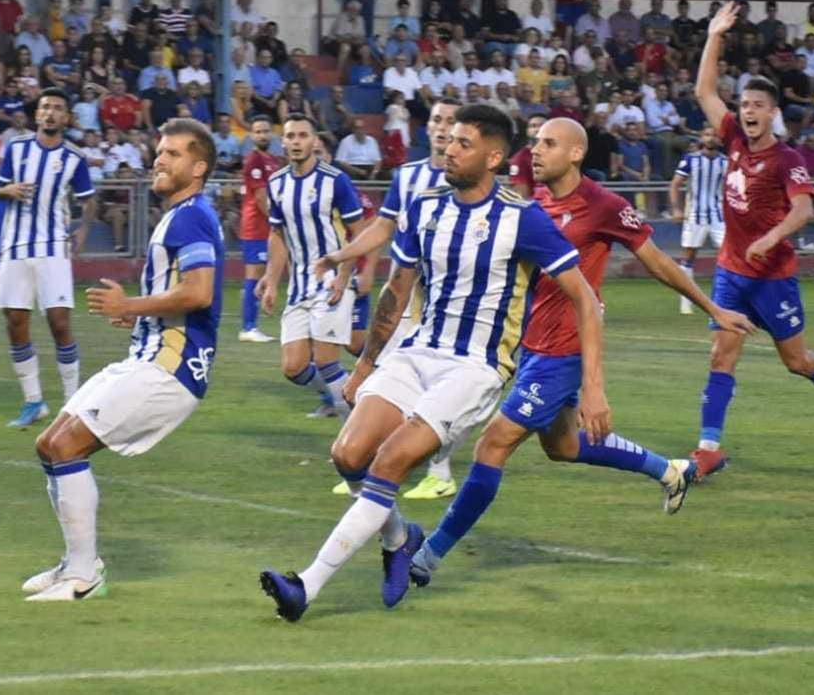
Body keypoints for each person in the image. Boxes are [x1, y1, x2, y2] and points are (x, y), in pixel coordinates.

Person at [258, 104, 605, 622]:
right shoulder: (424, 207)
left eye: (463, 143)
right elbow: (397, 292)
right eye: (449, 140)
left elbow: (585, 299)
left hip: (476, 368)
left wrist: (594, 386)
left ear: (494, 157)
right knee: (347, 455)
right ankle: (399, 538)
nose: (449, 148)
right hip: (417, 351)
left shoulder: (522, 218)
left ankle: (305, 586)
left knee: (389, 463)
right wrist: (365, 366)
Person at [403, 118, 756, 594]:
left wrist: (712, 308)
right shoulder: (531, 205)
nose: (535, 151)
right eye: (534, 143)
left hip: (567, 350)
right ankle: (670, 471)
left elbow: (658, 262)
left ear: (575, 153)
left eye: (548, 143)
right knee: (563, 446)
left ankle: (427, 555)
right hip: (530, 346)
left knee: (493, 444)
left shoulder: (603, 206)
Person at [23, 118, 222, 602]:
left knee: (66, 446)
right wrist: (138, 317)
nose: (159, 159)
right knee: (50, 444)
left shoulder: (192, 215)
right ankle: (76, 563)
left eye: (173, 154)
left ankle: (85, 578)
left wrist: (130, 306)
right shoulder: (181, 215)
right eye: (159, 151)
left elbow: (200, 293)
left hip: (169, 370)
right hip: (148, 357)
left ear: (198, 168)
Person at [690, 2, 814, 478]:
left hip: (773, 278)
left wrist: (772, 237)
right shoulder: (731, 136)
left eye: (757, 106)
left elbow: (803, 208)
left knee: (796, 361)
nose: (748, 112)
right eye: (744, 105)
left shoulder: (786, 158)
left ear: (773, 113)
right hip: (732, 271)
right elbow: (703, 89)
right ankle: (709, 448)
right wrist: (715, 35)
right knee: (721, 352)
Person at [321, 100, 460, 499]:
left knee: (437, 386)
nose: (442, 127)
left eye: (451, 122)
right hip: (404, 301)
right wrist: (345, 256)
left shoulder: (467, 181)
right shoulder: (407, 176)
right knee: (379, 377)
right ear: (427, 128)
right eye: (436, 120)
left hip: (447, 306)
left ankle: (440, 472)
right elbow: (382, 228)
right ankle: (365, 458)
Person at [0, 89, 98, 428]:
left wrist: (82, 231)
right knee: (16, 322)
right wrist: (8, 191)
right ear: (37, 115)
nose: (50, 113)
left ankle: (72, 404)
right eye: (45, 107)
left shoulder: (74, 158)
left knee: (59, 321)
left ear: (66, 118)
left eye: (57, 108)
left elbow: (88, 200)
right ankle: (33, 401)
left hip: (53, 246)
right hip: (16, 246)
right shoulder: (17, 148)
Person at [256, 116, 368, 417]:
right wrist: (270, 279)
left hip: (331, 281)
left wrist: (345, 276)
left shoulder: (335, 180)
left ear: (314, 141)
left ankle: (358, 430)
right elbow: (277, 234)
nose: (296, 141)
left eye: (302, 135)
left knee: (327, 361)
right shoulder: (276, 183)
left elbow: (358, 230)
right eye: (290, 136)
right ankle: (336, 401)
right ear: (283, 142)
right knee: (293, 367)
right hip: (299, 286)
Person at [670, 128, 729, 315]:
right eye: (707, 134)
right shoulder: (691, 159)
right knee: (688, 256)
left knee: (729, 255)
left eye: (715, 135)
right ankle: (686, 301)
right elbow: (675, 184)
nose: (711, 138)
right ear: (701, 138)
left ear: (720, 140)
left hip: (718, 216)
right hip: (695, 215)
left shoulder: (726, 162)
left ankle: (724, 298)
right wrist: (677, 208)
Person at [237, 116, 282, 344]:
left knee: (263, 274)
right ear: (252, 136)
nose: (263, 135)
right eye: (258, 131)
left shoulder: (273, 161)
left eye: (266, 130)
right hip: (255, 227)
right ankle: (248, 327)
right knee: (253, 275)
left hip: (267, 227)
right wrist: (277, 219)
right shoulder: (254, 161)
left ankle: (253, 324)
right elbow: (260, 196)